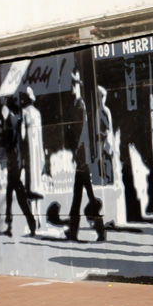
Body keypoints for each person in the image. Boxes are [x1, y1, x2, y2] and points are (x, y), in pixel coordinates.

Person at [64, 71, 105, 241]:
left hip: (82, 157)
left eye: (74, 84)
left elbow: (81, 132)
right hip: (81, 157)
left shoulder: (80, 105)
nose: (72, 87)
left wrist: (77, 153)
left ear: (79, 86)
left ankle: (98, 230)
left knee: (83, 195)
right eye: (71, 84)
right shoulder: (75, 105)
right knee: (79, 195)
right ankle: (76, 230)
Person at [1, 94, 36, 237]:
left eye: (2, 109)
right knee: (11, 195)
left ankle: (30, 223)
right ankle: (11, 224)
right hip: (13, 165)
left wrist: (15, 165)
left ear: (6, 109)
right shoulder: (9, 121)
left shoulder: (13, 121)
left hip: (15, 166)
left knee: (19, 196)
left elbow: (15, 146)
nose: (1, 113)